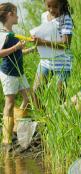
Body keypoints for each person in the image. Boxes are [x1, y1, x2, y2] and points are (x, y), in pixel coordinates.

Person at [0, 2, 34, 149]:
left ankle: (14, 127)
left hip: (19, 72)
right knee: (9, 103)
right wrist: (16, 47)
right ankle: (6, 139)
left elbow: (16, 54)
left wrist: (31, 49)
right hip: (9, 73)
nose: (18, 15)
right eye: (15, 12)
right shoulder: (3, 34)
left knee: (29, 97)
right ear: (10, 14)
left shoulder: (12, 34)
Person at [32, 0, 73, 109]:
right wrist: (37, 42)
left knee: (61, 95)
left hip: (62, 62)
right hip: (46, 60)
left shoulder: (65, 19)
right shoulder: (44, 16)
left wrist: (43, 42)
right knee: (36, 91)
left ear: (62, 4)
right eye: (48, 6)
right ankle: (44, 121)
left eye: (55, 6)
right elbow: (45, 33)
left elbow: (66, 44)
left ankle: (62, 121)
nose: (51, 10)